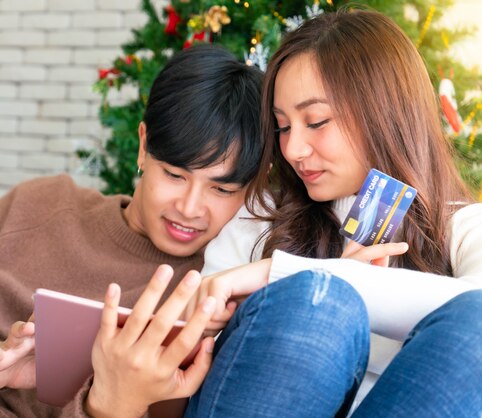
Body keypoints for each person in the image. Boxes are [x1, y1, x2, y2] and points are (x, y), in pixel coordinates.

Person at [0, 44, 264, 418]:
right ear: (143, 146)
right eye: (174, 175)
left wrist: (107, 404)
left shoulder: (212, 295)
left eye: (222, 188)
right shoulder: (44, 202)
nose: (190, 208)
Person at [183, 9, 482, 418]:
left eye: (316, 121)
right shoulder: (259, 216)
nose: (292, 150)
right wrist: (318, 291)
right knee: (319, 306)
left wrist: (277, 274)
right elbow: (193, 348)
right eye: (283, 126)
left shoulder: (463, 225)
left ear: (386, 112)